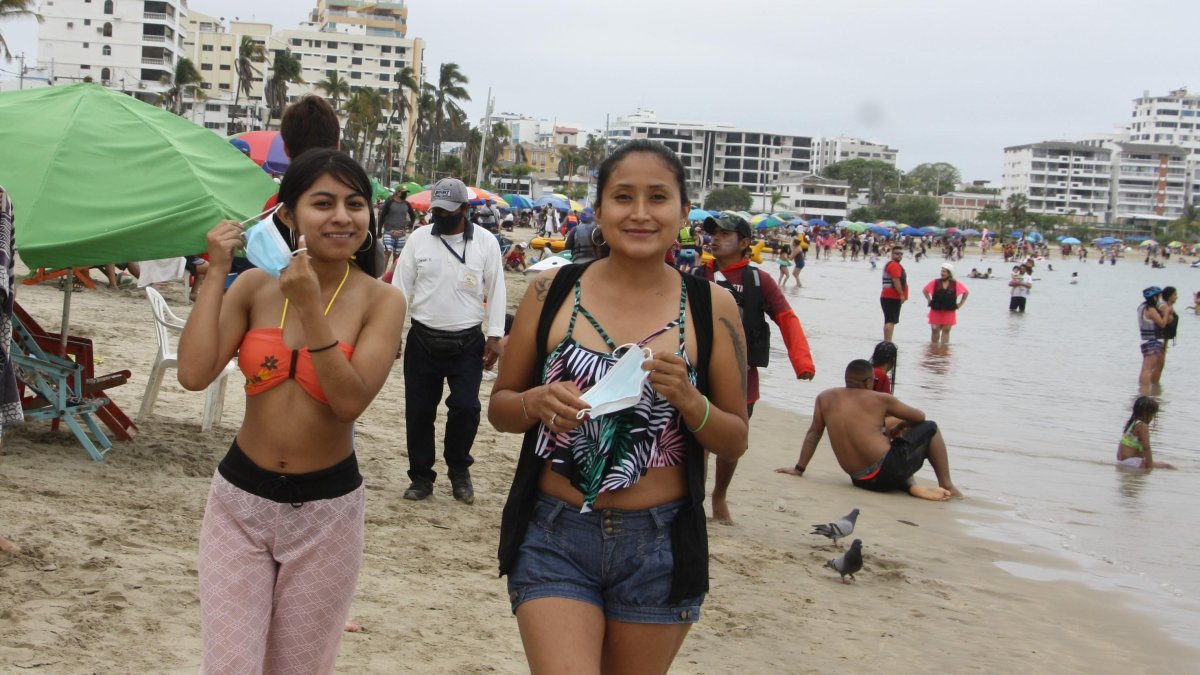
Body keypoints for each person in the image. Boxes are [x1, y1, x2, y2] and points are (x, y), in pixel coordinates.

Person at [490, 139, 748, 673]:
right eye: (622, 197)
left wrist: (688, 399)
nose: (639, 213)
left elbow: (734, 438)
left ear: (682, 211)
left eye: (658, 197)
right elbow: (500, 409)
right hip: (553, 533)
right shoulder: (550, 291)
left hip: (659, 543)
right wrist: (536, 402)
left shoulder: (711, 306)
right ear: (599, 208)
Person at [177, 149, 407, 674]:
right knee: (231, 664)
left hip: (327, 512)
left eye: (355, 204)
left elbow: (349, 402)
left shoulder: (381, 302)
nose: (342, 217)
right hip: (239, 504)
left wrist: (307, 305)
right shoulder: (255, 287)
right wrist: (216, 271)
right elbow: (193, 374)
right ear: (287, 215)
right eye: (322, 203)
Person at [693, 212, 815, 523]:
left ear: (744, 243)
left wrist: (802, 362)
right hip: (698, 370)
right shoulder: (696, 276)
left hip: (741, 374)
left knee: (731, 443)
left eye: (725, 234)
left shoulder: (760, 281)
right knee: (698, 438)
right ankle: (695, 499)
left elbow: (786, 318)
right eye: (714, 233)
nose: (716, 238)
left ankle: (719, 497)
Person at [392, 177, 505, 504]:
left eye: (448, 210)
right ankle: (421, 477)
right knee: (419, 412)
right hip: (422, 339)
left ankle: (459, 469)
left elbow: (497, 289)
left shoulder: (486, 242)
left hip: (467, 342)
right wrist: (392, 333)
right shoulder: (418, 240)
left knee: (466, 408)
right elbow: (399, 289)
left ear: (465, 210)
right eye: (437, 210)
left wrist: (495, 335)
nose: (441, 215)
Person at [775, 359, 961, 501]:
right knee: (931, 428)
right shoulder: (879, 399)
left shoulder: (825, 398)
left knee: (888, 438)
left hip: (860, 480)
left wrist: (799, 468)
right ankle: (947, 485)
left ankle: (911, 486)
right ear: (867, 382)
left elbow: (814, 434)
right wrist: (903, 424)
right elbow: (920, 417)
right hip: (886, 473)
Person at [1116, 396, 1176, 470]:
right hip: (1131, 462)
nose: (1152, 417)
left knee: (1160, 463)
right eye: (1152, 414)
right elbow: (1146, 447)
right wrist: (1150, 466)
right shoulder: (1142, 426)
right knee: (1167, 466)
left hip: (1122, 461)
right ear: (1146, 413)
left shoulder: (1133, 423)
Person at [922, 262, 969, 344]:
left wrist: (960, 304)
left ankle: (944, 349)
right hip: (936, 309)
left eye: (944, 272)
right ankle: (934, 348)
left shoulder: (955, 284)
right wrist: (929, 300)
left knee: (946, 330)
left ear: (949, 273)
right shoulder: (935, 282)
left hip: (949, 310)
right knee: (935, 330)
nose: (942, 273)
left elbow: (966, 292)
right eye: (942, 271)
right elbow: (925, 290)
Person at [1137, 286, 1173, 386]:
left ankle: (1142, 390)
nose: (1159, 299)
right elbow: (1162, 324)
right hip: (1152, 341)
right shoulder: (1151, 309)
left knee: (1145, 368)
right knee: (1148, 369)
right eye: (1158, 297)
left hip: (1145, 340)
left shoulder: (1142, 307)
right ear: (1154, 297)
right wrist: (1166, 313)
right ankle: (1145, 391)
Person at [880, 245, 908, 340]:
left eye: (901, 254)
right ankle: (888, 342)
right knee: (890, 320)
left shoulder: (892, 264)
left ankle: (887, 341)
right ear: (892, 254)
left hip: (887, 296)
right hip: (891, 296)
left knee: (889, 320)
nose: (899, 255)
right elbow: (896, 280)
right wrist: (901, 294)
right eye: (897, 253)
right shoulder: (894, 265)